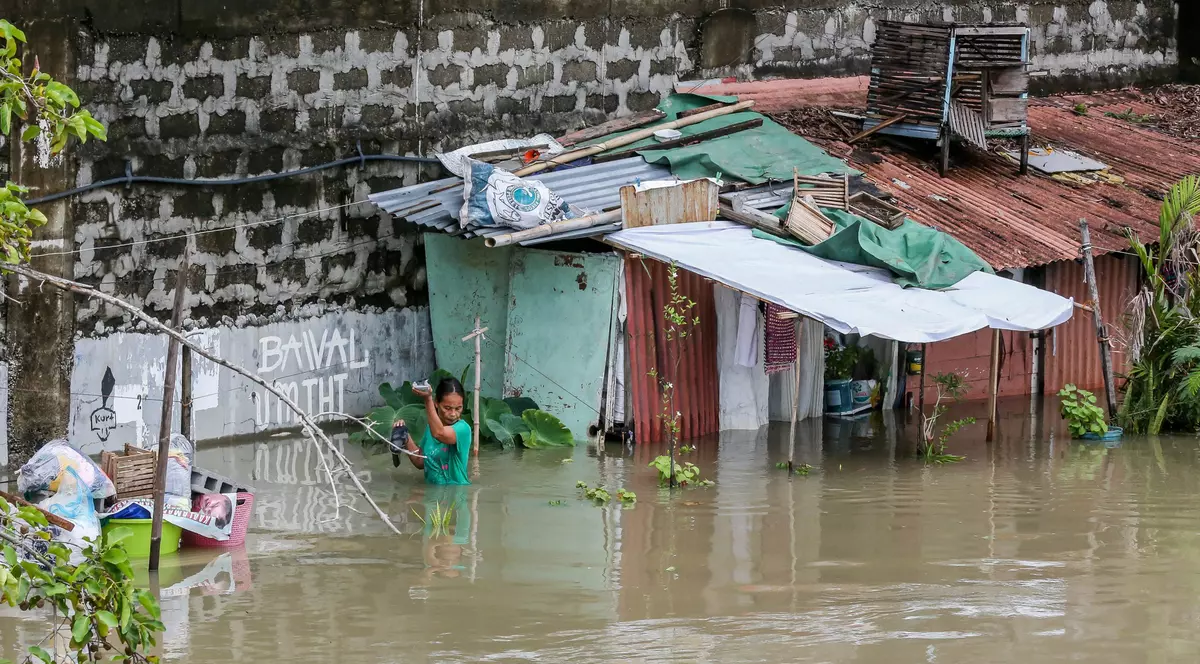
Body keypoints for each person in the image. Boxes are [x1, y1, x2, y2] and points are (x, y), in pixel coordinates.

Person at [395, 377, 473, 485]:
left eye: (458, 408)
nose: (453, 414)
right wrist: (405, 436)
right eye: (447, 408)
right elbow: (421, 462)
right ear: (437, 403)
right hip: (431, 498)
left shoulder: (463, 429)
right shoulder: (430, 429)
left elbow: (439, 433)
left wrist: (427, 399)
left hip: (455, 496)